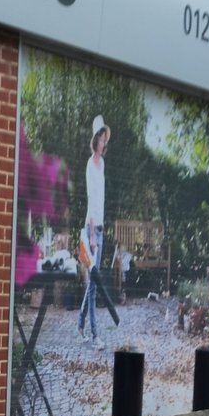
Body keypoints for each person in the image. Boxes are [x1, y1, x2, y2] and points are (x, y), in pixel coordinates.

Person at [77, 115, 111, 342]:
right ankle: (94, 335)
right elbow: (90, 199)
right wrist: (91, 236)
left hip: (99, 229)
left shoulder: (103, 165)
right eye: (101, 138)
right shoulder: (90, 164)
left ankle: (80, 325)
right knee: (94, 286)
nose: (103, 142)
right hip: (91, 234)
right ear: (95, 140)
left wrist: (99, 231)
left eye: (105, 138)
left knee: (93, 285)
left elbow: (101, 200)